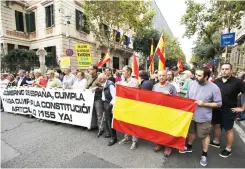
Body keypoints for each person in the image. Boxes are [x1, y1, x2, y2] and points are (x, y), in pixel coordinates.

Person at [179, 67, 222, 167]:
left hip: (204, 117)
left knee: (204, 136)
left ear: (206, 77)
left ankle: (204, 155)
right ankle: (189, 147)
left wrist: (204, 104)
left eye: (199, 75)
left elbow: (218, 104)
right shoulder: (192, 83)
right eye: (195, 74)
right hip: (191, 116)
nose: (195, 77)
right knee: (191, 132)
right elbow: (187, 98)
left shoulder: (214, 88)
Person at [211, 63, 245, 158]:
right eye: (222, 69)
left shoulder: (237, 82)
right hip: (216, 109)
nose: (224, 71)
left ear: (231, 70)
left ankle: (228, 149)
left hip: (229, 110)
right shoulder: (216, 81)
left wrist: (242, 108)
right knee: (216, 125)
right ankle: (216, 141)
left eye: (226, 69)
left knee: (228, 129)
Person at [152, 70, 177, 157]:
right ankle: (160, 143)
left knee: (167, 129)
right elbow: (152, 98)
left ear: (167, 77)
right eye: (160, 75)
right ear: (157, 76)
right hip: (158, 111)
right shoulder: (154, 86)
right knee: (158, 128)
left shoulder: (171, 87)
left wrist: (170, 96)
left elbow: (177, 100)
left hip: (168, 112)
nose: (161, 77)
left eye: (163, 75)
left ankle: (168, 146)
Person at [117, 66, 139, 150]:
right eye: (122, 71)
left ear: (129, 72)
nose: (122, 73)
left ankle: (134, 141)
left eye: (124, 71)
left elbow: (130, 91)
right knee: (125, 121)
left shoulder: (135, 81)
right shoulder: (122, 81)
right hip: (124, 104)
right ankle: (127, 137)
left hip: (132, 105)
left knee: (133, 123)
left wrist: (121, 85)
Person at [98, 73, 117, 146]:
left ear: (103, 79)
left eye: (100, 79)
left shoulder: (110, 84)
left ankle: (114, 138)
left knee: (110, 121)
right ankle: (109, 134)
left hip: (109, 103)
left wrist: (110, 105)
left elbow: (114, 96)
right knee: (107, 120)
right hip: (105, 102)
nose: (99, 81)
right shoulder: (104, 83)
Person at [86, 65, 104, 135]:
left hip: (97, 98)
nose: (89, 71)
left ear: (95, 70)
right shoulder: (89, 77)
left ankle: (101, 128)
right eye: (88, 69)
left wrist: (96, 88)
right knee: (92, 112)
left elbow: (103, 87)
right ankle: (94, 125)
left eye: (90, 69)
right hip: (90, 98)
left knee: (99, 114)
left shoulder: (99, 77)